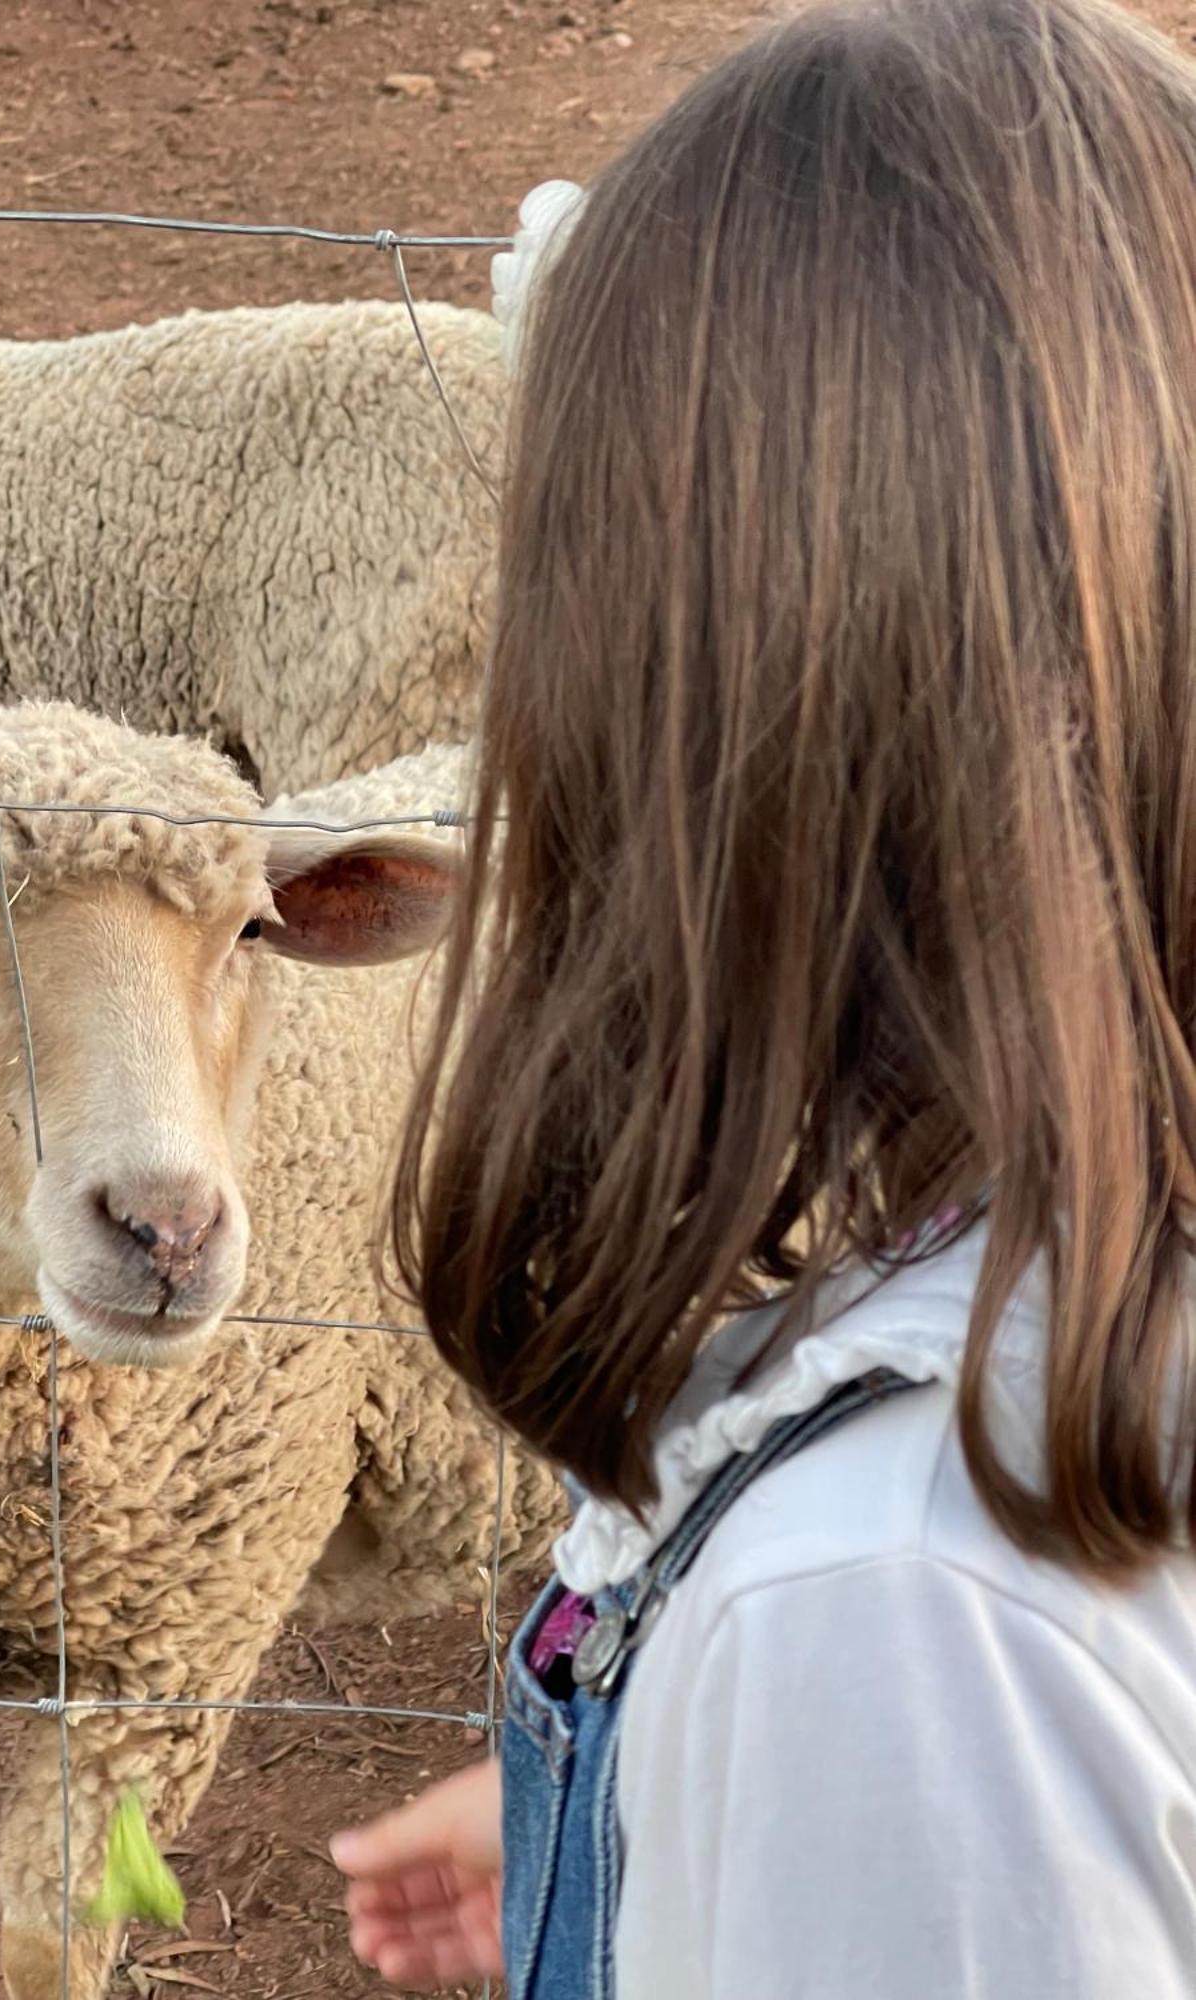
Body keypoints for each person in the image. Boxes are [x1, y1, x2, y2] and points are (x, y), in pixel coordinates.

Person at [329, 0, 1196, 1991]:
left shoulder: (904, 1608)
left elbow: (949, 1757)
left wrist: (806, 1755)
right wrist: (663, 1811)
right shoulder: (1075, 1323)